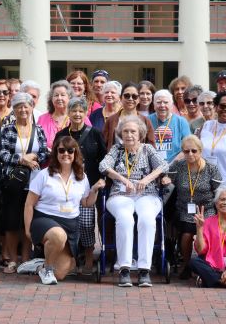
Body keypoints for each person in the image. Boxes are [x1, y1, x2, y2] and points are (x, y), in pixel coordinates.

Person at [99, 115, 167, 288]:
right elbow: (103, 166)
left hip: (147, 194)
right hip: (120, 195)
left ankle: (144, 269)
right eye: (126, 131)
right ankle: (124, 269)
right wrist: (123, 179)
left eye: (133, 131)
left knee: (146, 218)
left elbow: (163, 166)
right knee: (125, 218)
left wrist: (146, 180)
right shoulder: (117, 149)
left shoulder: (147, 149)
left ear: (140, 134)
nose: (129, 135)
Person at [23, 136, 98, 285]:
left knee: (62, 273)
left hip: (70, 224)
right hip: (44, 219)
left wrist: (94, 190)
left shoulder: (81, 177)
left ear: (75, 153)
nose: (66, 154)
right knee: (58, 235)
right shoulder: (44, 174)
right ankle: (47, 269)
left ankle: (40, 265)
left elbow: (86, 203)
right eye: (61, 150)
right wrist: (27, 230)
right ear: (56, 153)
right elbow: (29, 204)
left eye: (70, 150)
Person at [55, 96, 108, 275]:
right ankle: (69, 259)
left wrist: (102, 180)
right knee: (67, 223)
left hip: (88, 186)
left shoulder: (95, 134)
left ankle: (88, 257)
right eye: (74, 110)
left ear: (86, 113)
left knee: (86, 224)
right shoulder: (61, 135)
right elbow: (55, 159)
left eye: (80, 111)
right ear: (68, 113)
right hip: (65, 185)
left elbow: (104, 160)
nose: (77, 114)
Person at [0, 92, 50, 272]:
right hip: (14, 182)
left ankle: (26, 259)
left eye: (26, 106)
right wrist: (22, 160)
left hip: (34, 183)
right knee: (12, 221)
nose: (22, 109)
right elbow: (2, 154)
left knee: (29, 221)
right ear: (14, 109)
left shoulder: (39, 130)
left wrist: (34, 156)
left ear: (31, 108)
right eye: (19, 106)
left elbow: (45, 152)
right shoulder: (7, 130)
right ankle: (13, 260)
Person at [163, 135, 223, 279]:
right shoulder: (179, 166)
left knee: (210, 233)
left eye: (194, 151)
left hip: (206, 209)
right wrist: (165, 179)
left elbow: (218, 191)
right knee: (187, 234)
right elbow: (167, 178)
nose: (190, 154)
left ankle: (209, 264)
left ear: (200, 151)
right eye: (186, 151)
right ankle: (187, 264)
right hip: (184, 209)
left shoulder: (211, 168)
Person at [103, 82, 156, 149]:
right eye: (127, 96)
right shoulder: (111, 120)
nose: (130, 99)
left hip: (138, 159)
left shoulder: (146, 121)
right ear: (120, 98)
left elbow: (152, 147)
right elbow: (104, 145)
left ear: (139, 99)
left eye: (134, 96)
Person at [149, 89, 191, 165]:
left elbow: (187, 147)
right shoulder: (147, 121)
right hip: (151, 168)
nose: (162, 105)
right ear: (154, 105)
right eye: (158, 102)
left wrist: (171, 165)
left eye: (166, 102)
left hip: (176, 167)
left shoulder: (181, 122)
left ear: (171, 105)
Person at [39, 80, 85, 147]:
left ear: (70, 97)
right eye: (56, 95)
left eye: (63, 95)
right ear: (51, 99)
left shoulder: (79, 116)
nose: (59, 98)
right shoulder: (42, 119)